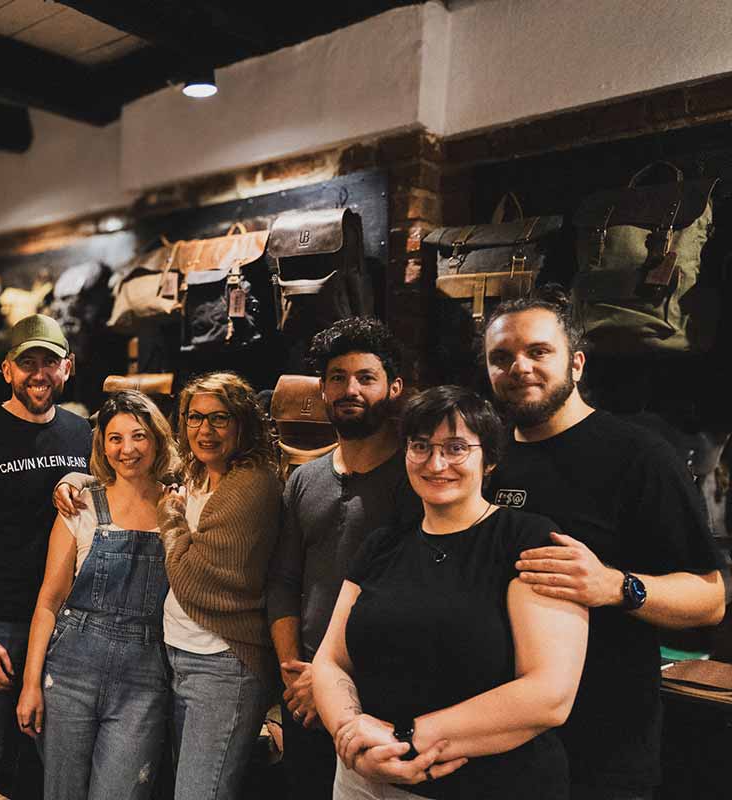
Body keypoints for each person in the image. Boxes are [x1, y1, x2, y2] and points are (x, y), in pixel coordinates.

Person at [481, 293, 725, 800]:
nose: (519, 367)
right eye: (501, 357)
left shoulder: (638, 456)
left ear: (576, 363)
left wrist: (616, 586)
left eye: (538, 351)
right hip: (493, 744)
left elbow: (710, 598)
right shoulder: (484, 458)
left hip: (600, 754)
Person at [312, 385, 589, 800]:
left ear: (489, 459)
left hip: (492, 787)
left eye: (456, 448)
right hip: (364, 780)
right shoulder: (382, 544)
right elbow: (330, 660)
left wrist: (406, 738)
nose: (436, 463)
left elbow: (550, 695)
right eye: (420, 446)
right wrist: (349, 733)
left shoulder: (528, 540)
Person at [266, 318, 422, 798]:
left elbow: (411, 598)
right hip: (302, 696)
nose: (349, 389)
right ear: (322, 388)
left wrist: (330, 682)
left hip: (376, 695)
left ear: (394, 388)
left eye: (365, 377)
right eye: (337, 377)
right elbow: (283, 581)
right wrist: (295, 672)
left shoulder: (417, 480)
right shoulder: (304, 479)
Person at [0, 314, 92, 800]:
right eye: (28, 363)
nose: (39, 373)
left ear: (67, 367)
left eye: (50, 361)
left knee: (48, 757)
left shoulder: (84, 435)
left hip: (67, 625)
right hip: (0, 624)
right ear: (7, 369)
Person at [16, 390, 179, 799]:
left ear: (157, 439)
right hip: (70, 672)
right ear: (102, 446)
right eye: (115, 438)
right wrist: (30, 684)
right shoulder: (82, 505)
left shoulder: (177, 507)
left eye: (139, 436)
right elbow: (49, 602)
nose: (128, 449)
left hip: (144, 679)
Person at [155, 371, 282, 800]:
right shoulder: (197, 473)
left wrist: (170, 519)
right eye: (195, 417)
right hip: (179, 653)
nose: (204, 430)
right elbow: (135, 464)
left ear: (242, 423)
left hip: (223, 663)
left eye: (219, 418)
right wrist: (75, 479)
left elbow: (191, 578)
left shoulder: (251, 485)